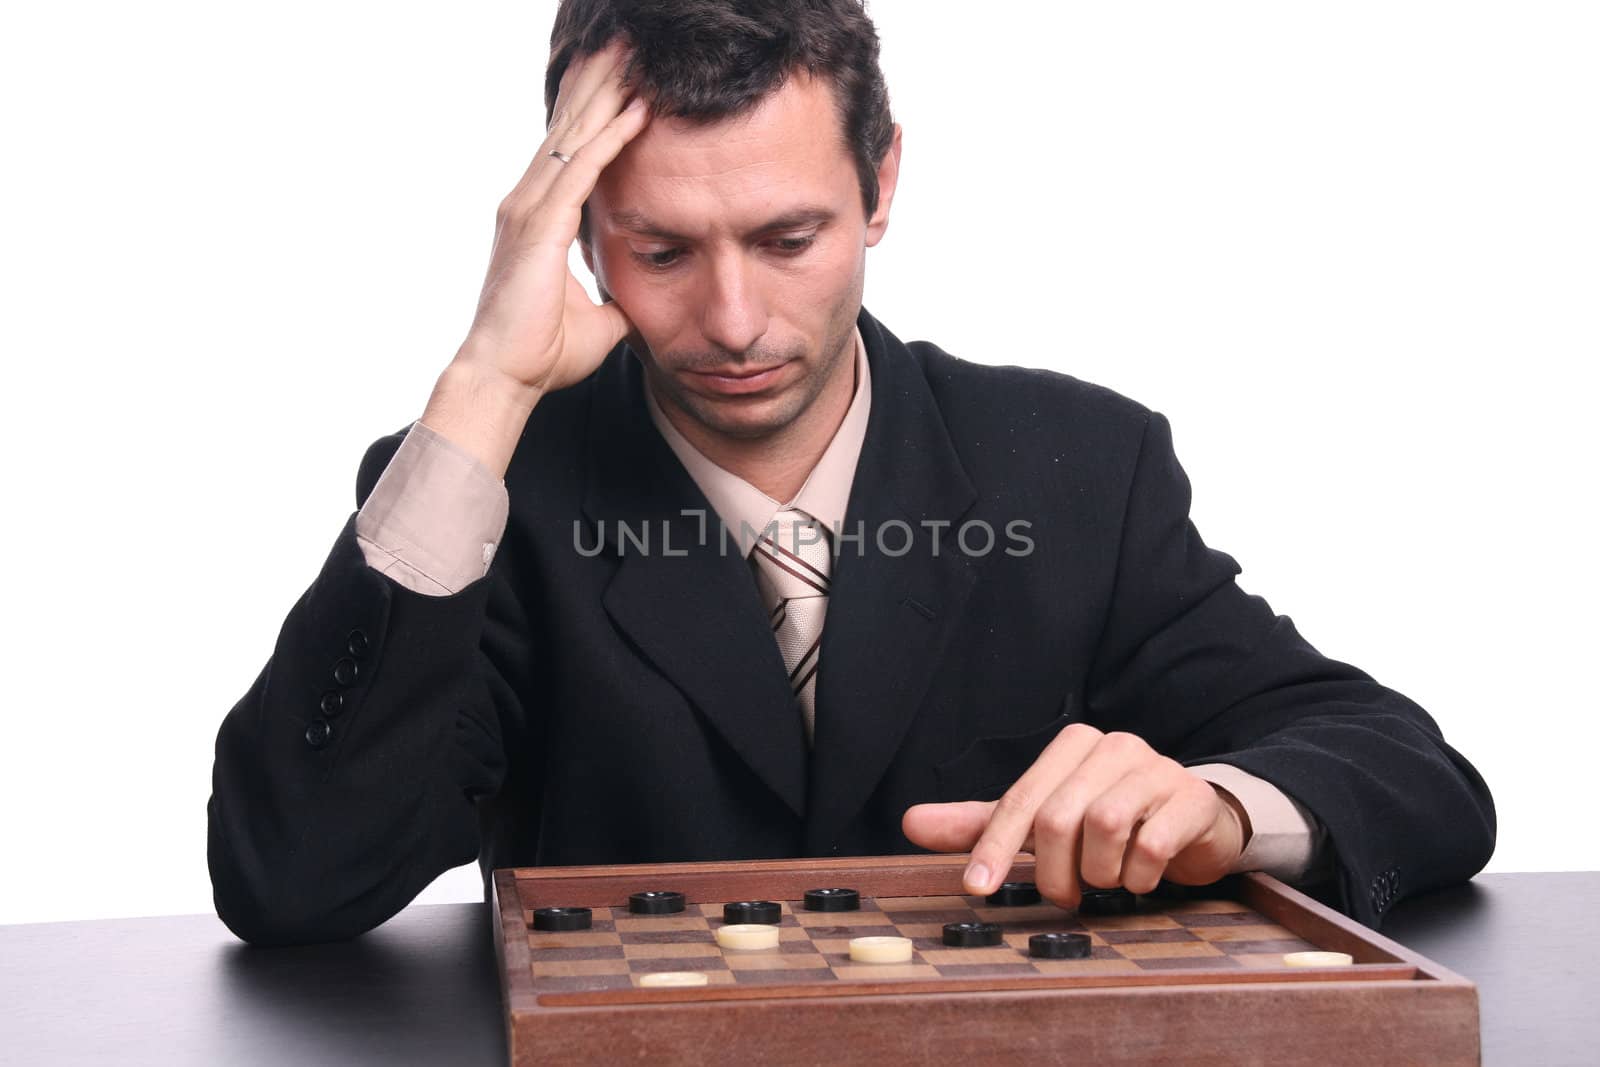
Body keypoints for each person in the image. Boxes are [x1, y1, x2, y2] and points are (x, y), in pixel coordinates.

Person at [206, 0, 1494, 947]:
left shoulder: (1081, 470)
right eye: (660, 251)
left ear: (880, 184)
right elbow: (292, 877)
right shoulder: (487, 492)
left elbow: (1410, 771)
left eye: (787, 238)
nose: (733, 320)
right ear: (583, 233)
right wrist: (483, 392)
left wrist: (1213, 806)